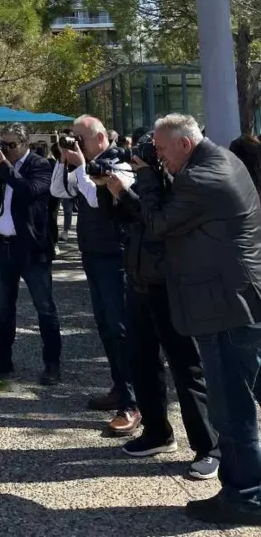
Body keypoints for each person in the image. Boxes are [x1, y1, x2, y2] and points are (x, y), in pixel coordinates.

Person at [130, 114, 261, 526]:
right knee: (235, 402)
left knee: (231, 408)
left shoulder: (203, 178)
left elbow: (157, 224)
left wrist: (146, 179)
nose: (160, 157)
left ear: (185, 145)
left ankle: (247, 497)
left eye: (163, 151)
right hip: (227, 300)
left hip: (224, 306)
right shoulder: (217, 160)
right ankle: (243, 491)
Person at [105, 147, 219, 479]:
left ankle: (209, 446)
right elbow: (130, 220)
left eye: (152, 152)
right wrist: (116, 194)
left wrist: (144, 180)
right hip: (139, 282)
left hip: (169, 287)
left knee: (187, 369)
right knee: (142, 363)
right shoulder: (146, 183)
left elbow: (158, 223)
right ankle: (157, 432)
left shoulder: (179, 182)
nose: (139, 159)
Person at [51, 116, 139, 436]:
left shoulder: (117, 162)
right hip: (92, 255)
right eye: (72, 138)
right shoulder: (86, 164)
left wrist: (80, 165)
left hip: (114, 258)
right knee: (104, 326)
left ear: (101, 138)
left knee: (120, 329)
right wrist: (67, 161)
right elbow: (58, 190)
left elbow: (93, 197)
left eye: (80, 139)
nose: (76, 144)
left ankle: (132, 402)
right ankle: (119, 388)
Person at [0, 127, 61, 384]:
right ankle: (2, 359)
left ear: (25, 143)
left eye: (11, 145)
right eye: (2, 144)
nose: (5, 149)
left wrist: (3, 165)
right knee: (4, 308)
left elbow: (28, 191)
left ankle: (52, 364)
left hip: (31, 248)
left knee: (44, 308)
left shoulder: (40, 165)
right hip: (3, 247)